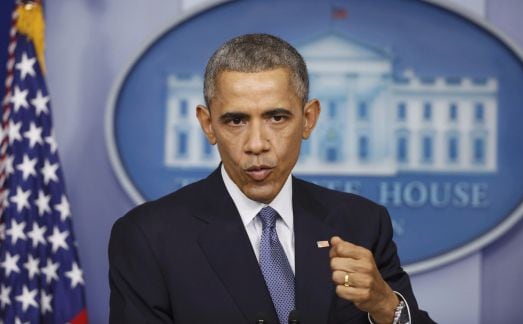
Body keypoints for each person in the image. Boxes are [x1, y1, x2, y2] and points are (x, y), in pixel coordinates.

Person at [109, 33, 434, 324]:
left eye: (277, 118)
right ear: (208, 125)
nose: (256, 144)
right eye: (236, 121)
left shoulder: (362, 223)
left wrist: (385, 306)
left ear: (308, 120)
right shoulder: (148, 237)